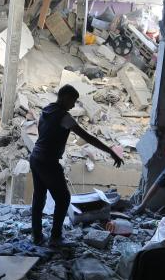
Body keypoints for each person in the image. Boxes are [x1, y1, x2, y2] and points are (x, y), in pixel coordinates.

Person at [30, 84, 122, 246]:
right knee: (63, 198)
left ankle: (37, 236)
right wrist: (110, 151)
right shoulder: (64, 117)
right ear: (65, 97)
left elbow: (43, 132)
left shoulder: (47, 109)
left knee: (39, 197)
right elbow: (88, 137)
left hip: (36, 157)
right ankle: (55, 237)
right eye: (73, 101)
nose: (73, 105)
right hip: (48, 161)